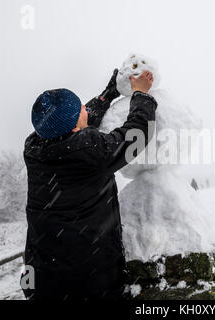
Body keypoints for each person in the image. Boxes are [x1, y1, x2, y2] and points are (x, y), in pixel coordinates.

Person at [22, 69, 157, 300]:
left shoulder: (34, 147)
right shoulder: (91, 151)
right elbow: (136, 135)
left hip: (41, 276)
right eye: (81, 109)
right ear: (75, 126)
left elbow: (70, 126)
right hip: (87, 279)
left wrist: (108, 95)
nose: (86, 108)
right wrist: (141, 95)